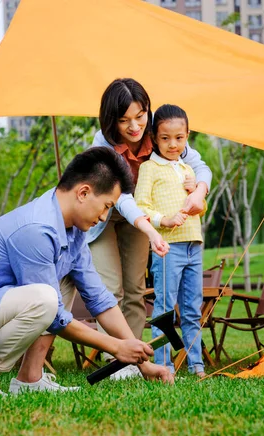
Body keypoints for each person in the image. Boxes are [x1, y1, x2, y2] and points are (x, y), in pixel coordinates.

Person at [0, 147, 174, 397]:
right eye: (106, 206)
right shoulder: (36, 229)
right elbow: (55, 316)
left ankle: (30, 379)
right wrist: (116, 347)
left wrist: (141, 361)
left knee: (60, 283)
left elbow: (100, 300)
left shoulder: (72, 232)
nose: (105, 217)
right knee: (45, 300)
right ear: (83, 192)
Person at [88, 79, 212, 377]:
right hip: (106, 216)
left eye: (140, 116)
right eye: (124, 120)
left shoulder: (160, 135)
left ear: (148, 112)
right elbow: (123, 198)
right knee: (111, 288)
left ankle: (130, 359)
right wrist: (153, 228)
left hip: (142, 219)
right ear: (110, 119)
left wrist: (199, 191)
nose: (134, 126)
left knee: (134, 288)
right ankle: (114, 357)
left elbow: (201, 166)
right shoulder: (102, 143)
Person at [134, 104, 206, 377]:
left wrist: (196, 193)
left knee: (191, 309)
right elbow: (141, 205)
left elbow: (200, 208)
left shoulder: (188, 169)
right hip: (168, 249)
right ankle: (163, 366)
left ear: (187, 135)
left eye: (179, 138)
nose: (172, 144)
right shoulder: (150, 168)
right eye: (165, 138)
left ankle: (196, 364)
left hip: (193, 245)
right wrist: (163, 220)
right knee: (165, 310)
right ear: (154, 137)